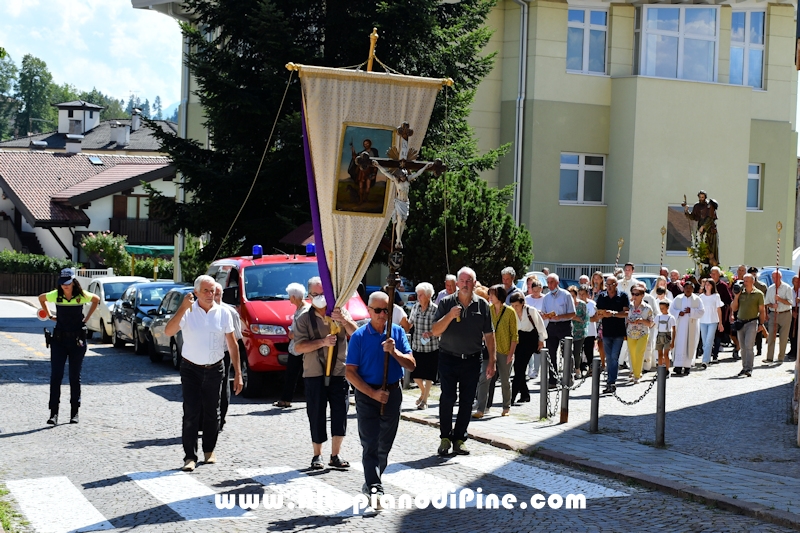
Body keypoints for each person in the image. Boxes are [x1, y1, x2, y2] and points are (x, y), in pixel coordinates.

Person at [165, 275, 243, 471]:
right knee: (191, 412)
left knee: (212, 412)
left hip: (215, 368)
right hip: (191, 368)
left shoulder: (223, 313)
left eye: (213, 291)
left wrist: (239, 373)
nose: (210, 294)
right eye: (206, 291)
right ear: (196, 292)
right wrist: (182, 307)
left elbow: (233, 345)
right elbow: (168, 331)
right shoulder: (188, 311)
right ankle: (189, 457)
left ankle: (209, 450)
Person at [345, 292, 415, 502]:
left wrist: (394, 352)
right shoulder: (359, 336)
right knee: (370, 443)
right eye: (378, 310)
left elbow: (411, 364)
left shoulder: (397, 333)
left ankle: (371, 480)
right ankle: (375, 487)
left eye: (387, 310)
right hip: (367, 395)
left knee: (384, 444)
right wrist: (373, 393)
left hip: (393, 393)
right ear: (369, 310)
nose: (383, 314)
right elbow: (350, 372)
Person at [293, 277, 357, 470]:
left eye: (323, 293)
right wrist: (322, 342)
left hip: (338, 371)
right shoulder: (304, 317)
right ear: (308, 296)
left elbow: (356, 334)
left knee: (340, 413)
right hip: (314, 372)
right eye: (315, 294)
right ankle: (317, 455)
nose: (320, 297)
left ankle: (335, 455)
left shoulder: (340, 312)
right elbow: (298, 346)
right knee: (316, 413)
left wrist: (344, 320)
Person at [432, 266, 496, 456]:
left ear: (475, 283)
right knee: (448, 398)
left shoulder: (482, 305)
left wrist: (492, 361)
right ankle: (445, 437)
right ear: (457, 283)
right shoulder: (445, 303)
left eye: (469, 281)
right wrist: (450, 315)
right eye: (463, 281)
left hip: (472, 359)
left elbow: (489, 335)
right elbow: (435, 330)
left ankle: (460, 438)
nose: (466, 284)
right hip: (448, 358)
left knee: (467, 401)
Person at [39, 268, 100, 425]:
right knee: (56, 376)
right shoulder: (56, 295)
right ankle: (54, 413)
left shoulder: (81, 295)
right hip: (59, 341)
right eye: (62, 283)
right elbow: (41, 298)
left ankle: (74, 412)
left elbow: (96, 299)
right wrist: (50, 315)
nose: (65, 286)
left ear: (73, 282)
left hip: (77, 341)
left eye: (67, 283)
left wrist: (86, 318)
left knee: (74, 376)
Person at [475, 285, 518, 418]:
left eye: (492, 294)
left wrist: (511, 353)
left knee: (505, 380)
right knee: (484, 378)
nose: (490, 297)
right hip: (489, 350)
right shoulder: (488, 309)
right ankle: (480, 409)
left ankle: (506, 407)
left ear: (500, 296)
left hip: (505, 351)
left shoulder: (510, 312)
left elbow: (514, 335)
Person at [373, 160, 433, 248]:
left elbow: (418, 173)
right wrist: (378, 166)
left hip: (406, 203)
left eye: (404, 176)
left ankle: (399, 240)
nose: (403, 178)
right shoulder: (396, 181)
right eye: (401, 177)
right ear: (399, 177)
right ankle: (398, 240)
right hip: (399, 202)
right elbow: (385, 172)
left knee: (403, 222)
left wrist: (425, 166)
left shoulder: (408, 180)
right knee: (400, 219)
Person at [274, 282, 309, 408]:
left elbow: (306, 331)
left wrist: (292, 335)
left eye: (290, 296)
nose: (289, 298)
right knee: (292, 374)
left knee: (299, 374)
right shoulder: (300, 309)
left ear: (294, 297)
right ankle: (286, 399)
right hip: (296, 347)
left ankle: (287, 399)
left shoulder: (305, 311)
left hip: (302, 347)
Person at [214, 282, 242, 430]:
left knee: (223, 385)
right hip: (206, 353)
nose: (214, 297)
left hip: (224, 353)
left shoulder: (230, 312)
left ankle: (220, 419)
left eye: (217, 294)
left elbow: (236, 339)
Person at [508, 291, 546, 404]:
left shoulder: (531, 311)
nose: (515, 308)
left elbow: (540, 326)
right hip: (518, 338)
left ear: (522, 303)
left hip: (530, 339)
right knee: (518, 367)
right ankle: (525, 394)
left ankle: (512, 396)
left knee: (520, 366)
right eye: (513, 306)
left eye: (517, 305)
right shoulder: (512, 312)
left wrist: (541, 340)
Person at [594, 276, 629, 394]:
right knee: (609, 358)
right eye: (607, 285)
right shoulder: (602, 296)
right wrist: (600, 315)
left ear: (616, 284)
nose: (608, 287)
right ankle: (610, 381)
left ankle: (611, 381)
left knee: (614, 356)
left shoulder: (623, 296)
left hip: (618, 331)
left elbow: (626, 313)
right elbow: (598, 311)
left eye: (611, 285)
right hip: (606, 331)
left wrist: (613, 314)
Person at [541, 274, 576, 388]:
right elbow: (543, 313)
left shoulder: (566, 295)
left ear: (557, 283)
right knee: (551, 353)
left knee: (566, 353)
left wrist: (560, 316)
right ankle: (552, 379)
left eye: (551, 282)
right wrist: (545, 316)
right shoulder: (546, 297)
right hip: (551, 326)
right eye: (548, 282)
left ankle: (568, 376)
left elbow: (572, 313)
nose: (549, 285)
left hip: (564, 326)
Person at [408, 282, 439, 410]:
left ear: (428, 296)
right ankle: (423, 392)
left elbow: (440, 328)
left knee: (429, 376)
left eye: (421, 295)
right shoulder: (415, 307)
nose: (418, 297)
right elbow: (410, 323)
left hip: (431, 347)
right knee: (415, 374)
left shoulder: (436, 309)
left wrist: (431, 333)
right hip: (417, 346)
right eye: (418, 294)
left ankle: (424, 400)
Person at [730, 274, 766, 377]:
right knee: (743, 347)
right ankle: (744, 367)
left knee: (749, 345)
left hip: (752, 322)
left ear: (752, 282)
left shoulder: (759, 294)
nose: (744, 283)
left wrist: (762, 324)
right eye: (743, 281)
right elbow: (734, 308)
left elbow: (762, 310)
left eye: (746, 281)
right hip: (740, 322)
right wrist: (736, 297)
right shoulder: (741, 293)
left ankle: (749, 368)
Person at [669, 281, 704, 376]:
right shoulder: (678, 298)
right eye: (686, 288)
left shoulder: (697, 299)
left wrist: (691, 311)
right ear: (683, 289)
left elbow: (701, 312)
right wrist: (678, 313)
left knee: (690, 344)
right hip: (680, 325)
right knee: (679, 344)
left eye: (690, 288)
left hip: (692, 325)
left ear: (693, 289)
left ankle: (687, 366)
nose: (688, 290)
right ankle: (678, 366)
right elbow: (671, 310)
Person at [625, 286, 654, 384]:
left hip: (643, 334)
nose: (634, 296)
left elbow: (651, 323)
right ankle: (634, 371)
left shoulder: (647, 307)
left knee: (639, 353)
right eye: (633, 294)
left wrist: (642, 321)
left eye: (637, 294)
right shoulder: (628, 306)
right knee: (632, 354)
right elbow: (624, 318)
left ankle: (637, 375)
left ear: (642, 295)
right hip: (630, 333)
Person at [682, 190, 719, 266]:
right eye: (700, 197)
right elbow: (693, 217)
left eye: (703, 197)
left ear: (705, 197)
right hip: (701, 231)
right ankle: (701, 268)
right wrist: (686, 211)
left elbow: (710, 218)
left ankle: (714, 266)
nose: (701, 198)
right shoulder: (697, 206)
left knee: (711, 250)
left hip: (710, 230)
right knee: (701, 249)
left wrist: (703, 226)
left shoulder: (710, 205)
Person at [764, 270, 793, 363]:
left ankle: (781, 357)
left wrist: (780, 299)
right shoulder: (770, 288)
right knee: (771, 335)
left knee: (783, 337)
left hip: (785, 314)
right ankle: (769, 357)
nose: (774, 279)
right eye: (773, 277)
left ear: (780, 277)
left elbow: (790, 302)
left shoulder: (787, 287)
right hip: (773, 314)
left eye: (776, 277)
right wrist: (772, 306)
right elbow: (767, 302)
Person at [525, 276, 547, 381]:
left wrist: (541, 314)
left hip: (542, 325)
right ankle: (530, 368)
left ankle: (536, 370)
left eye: (538, 291)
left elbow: (548, 312)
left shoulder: (545, 298)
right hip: (529, 326)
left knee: (538, 349)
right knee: (529, 348)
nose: (536, 293)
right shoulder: (527, 299)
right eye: (534, 291)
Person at [697, 279, 723, 370]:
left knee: (709, 340)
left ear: (712, 286)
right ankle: (707, 359)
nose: (707, 286)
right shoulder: (701, 297)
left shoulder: (716, 296)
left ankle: (705, 360)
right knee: (705, 342)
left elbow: (718, 309)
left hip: (713, 321)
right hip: (703, 321)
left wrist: (720, 323)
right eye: (706, 284)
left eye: (709, 284)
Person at [708, 266, 732, 362]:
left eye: (715, 273)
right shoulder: (707, 285)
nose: (713, 275)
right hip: (708, 313)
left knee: (718, 333)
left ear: (719, 275)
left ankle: (715, 354)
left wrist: (730, 314)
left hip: (719, 313)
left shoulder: (723, 286)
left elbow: (729, 300)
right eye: (712, 273)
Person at [567, 285, 588, 379]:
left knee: (576, 352)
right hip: (567, 331)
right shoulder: (565, 305)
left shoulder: (582, 304)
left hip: (579, 332)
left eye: (573, 296)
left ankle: (577, 369)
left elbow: (585, 319)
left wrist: (574, 317)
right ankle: (569, 370)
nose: (571, 298)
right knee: (567, 352)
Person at [748, 267, 768, 357]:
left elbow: (766, 302)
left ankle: (759, 349)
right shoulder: (745, 285)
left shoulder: (762, 286)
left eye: (754, 273)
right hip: (749, 310)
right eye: (751, 273)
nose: (753, 274)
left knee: (759, 330)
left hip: (759, 310)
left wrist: (766, 313)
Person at [579, 285, 597, 374]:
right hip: (579, 331)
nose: (581, 296)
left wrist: (584, 319)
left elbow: (595, 318)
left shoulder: (592, 304)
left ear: (587, 295)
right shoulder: (577, 304)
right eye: (580, 294)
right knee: (579, 350)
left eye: (583, 294)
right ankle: (580, 367)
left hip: (590, 331)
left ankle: (591, 367)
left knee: (588, 350)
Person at [655, 301, 676, 372]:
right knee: (659, 354)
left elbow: (674, 330)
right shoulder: (658, 317)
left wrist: (673, 341)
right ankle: (660, 369)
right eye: (660, 308)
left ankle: (667, 369)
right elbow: (653, 325)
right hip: (659, 335)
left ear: (667, 308)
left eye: (663, 308)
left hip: (667, 336)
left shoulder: (671, 317)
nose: (661, 309)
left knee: (666, 354)